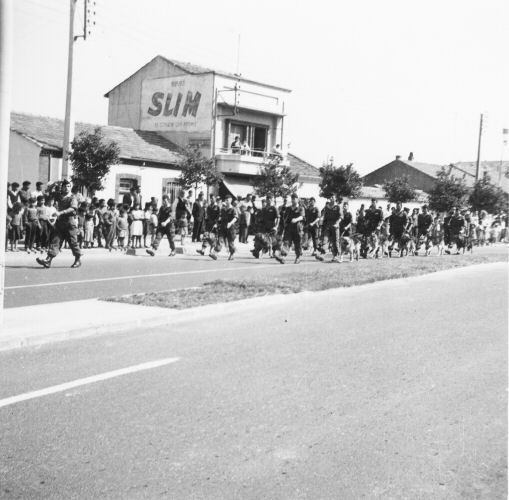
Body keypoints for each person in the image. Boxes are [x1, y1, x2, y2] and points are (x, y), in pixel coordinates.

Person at [36, 180, 82, 268]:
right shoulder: (58, 195)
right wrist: (53, 184)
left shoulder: (72, 197)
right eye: (65, 186)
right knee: (55, 241)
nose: (67, 188)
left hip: (70, 222)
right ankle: (48, 260)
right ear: (62, 187)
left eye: (68, 186)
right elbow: (48, 192)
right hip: (60, 223)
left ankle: (77, 260)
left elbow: (73, 208)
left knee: (73, 242)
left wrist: (60, 212)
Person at [316, 196, 341, 262]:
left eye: (333, 197)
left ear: (335, 198)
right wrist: (321, 222)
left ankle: (336, 256)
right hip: (327, 225)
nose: (331, 198)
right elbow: (323, 215)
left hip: (335, 226)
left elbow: (340, 217)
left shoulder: (338, 207)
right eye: (330, 197)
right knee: (325, 239)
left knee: (335, 242)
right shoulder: (327, 207)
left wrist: (337, 223)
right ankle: (322, 254)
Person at [283, 193, 305, 264]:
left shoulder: (301, 208)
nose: (293, 200)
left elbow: (302, 217)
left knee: (297, 244)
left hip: (297, 229)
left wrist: (296, 219)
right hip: (289, 228)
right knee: (286, 242)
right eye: (292, 198)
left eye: (294, 198)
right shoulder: (288, 208)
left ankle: (298, 257)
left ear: (298, 199)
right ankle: (284, 254)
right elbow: (285, 218)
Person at [214, 195, 238, 260]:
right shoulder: (223, 209)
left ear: (230, 200)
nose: (226, 201)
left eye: (228, 200)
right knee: (220, 239)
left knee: (230, 242)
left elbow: (235, 218)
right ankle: (215, 253)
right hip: (223, 226)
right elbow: (220, 217)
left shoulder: (233, 209)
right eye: (225, 200)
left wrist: (230, 223)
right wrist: (217, 223)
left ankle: (232, 254)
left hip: (231, 228)